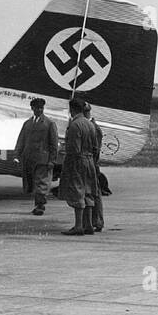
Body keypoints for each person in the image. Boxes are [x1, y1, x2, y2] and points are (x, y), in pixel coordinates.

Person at [61, 98, 99, 236]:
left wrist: (68, 164)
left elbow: (74, 149)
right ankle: (88, 225)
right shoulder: (90, 125)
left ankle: (78, 226)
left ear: (72, 109)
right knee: (88, 192)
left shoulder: (75, 125)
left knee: (77, 192)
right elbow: (96, 147)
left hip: (78, 161)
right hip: (89, 161)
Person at [14, 97, 58, 215]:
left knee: (41, 183)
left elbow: (54, 143)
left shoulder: (49, 124)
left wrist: (52, 161)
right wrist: (17, 155)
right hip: (29, 158)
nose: (40, 110)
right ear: (32, 108)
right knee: (32, 183)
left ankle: (40, 206)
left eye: (41, 108)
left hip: (43, 159)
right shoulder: (27, 124)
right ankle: (37, 204)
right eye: (37, 108)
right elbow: (21, 140)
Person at [83, 102, 105, 232]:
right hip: (92, 163)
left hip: (92, 164)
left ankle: (97, 221)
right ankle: (95, 221)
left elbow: (95, 150)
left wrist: (92, 164)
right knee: (93, 193)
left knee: (94, 193)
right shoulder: (92, 126)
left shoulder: (93, 128)